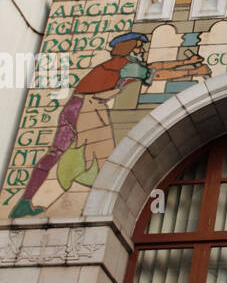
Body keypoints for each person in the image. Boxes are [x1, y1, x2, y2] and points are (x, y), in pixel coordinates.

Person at [11, 32, 211, 218]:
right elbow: (156, 74)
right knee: (105, 160)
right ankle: (91, 209)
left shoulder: (121, 63)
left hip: (74, 107)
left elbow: (154, 66)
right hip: (88, 110)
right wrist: (194, 71)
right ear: (128, 48)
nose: (142, 50)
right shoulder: (126, 65)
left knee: (57, 153)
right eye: (139, 46)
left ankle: (26, 201)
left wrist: (186, 62)